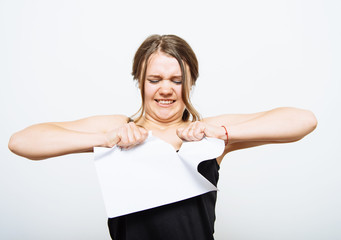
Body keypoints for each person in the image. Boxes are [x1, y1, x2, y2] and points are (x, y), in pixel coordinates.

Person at [8, 34, 317, 240]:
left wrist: (219, 132)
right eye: (154, 79)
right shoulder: (117, 128)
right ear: (139, 82)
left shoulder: (207, 135)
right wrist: (104, 138)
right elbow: (22, 141)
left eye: (176, 80)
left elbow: (303, 121)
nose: (165, 89)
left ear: (190, 82)